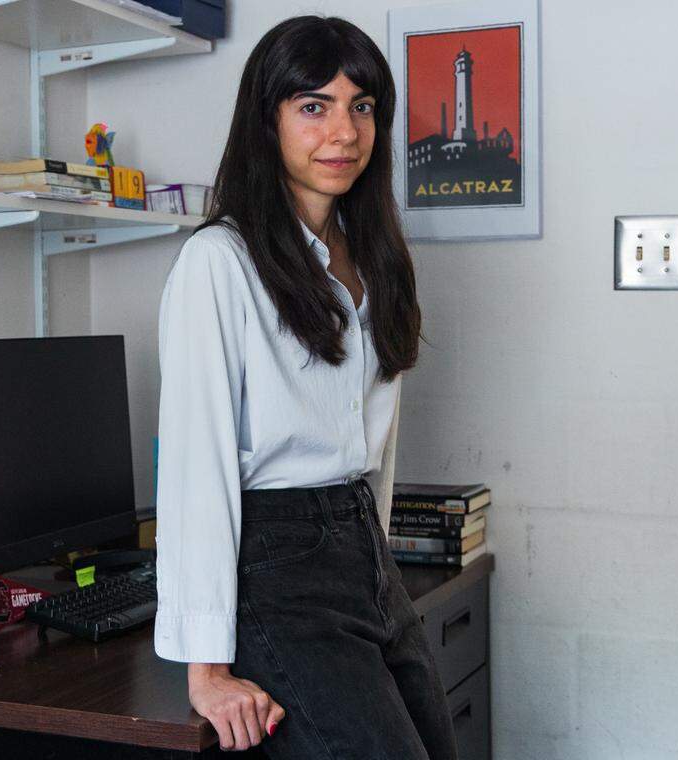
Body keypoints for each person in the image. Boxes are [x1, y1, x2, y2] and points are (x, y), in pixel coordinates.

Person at [154, 15, 459, 759]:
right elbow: (198, 460)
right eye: (313, 106)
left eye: (362, 106)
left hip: (365, 557)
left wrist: (377, 553)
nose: (344, 132)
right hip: (278, 565)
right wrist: (206, 668)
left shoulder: (376, 258)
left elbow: (371, 442)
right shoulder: (220, 262)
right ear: (269, 121)